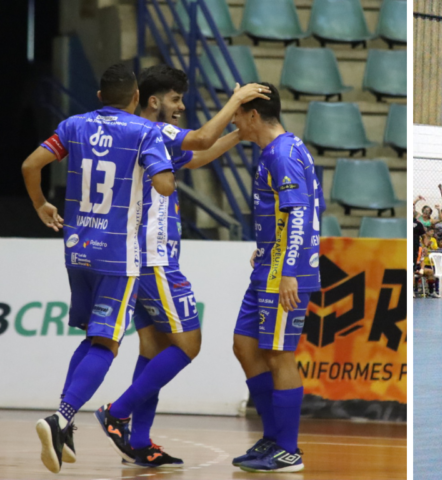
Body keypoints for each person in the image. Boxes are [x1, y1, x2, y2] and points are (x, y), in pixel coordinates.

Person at [94, 65, 270, 467]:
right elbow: (201, 137)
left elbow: (197, 155)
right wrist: (236, 103)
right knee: (188, 346)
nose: (181, 106)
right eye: (175, 99)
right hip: (154, 259)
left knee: (153, 349)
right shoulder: (152, 131)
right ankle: (116, 412)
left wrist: (237, 134)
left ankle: (138, 442)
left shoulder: (139, 135)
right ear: (153, 101)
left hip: (132, 259)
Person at [23, 63, 176, 474]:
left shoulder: (73, 125)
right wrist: (164, 170)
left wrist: (41, 205)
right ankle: (60, 419)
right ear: (137, 100)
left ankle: (64, 423)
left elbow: (29, 165)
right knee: (107, 344)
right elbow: (164, 186)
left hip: (77, 249)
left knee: (92, 336)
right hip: (119, 256)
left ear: (98, 97)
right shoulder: (144, 131)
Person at [230, 82, 323, 473]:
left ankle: (288, 450)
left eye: (236, 113)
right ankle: (272, 437)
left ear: (253, 116)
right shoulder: (279, 149)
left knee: (279, 354)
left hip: (285, 272)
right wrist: (268, 245)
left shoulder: (281, 153)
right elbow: (287, 213)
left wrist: (287, 272)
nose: (232, 120)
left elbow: (299, 212)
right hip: (269, 263)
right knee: (245, 346)